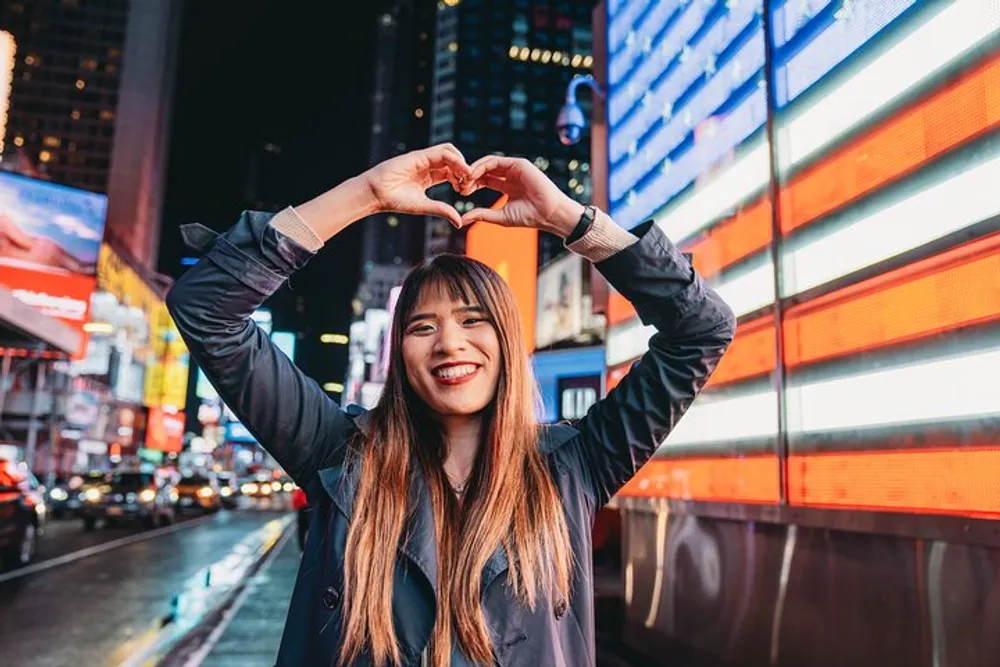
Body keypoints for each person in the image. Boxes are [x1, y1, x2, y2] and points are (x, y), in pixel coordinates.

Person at [166, 144, 735, 667]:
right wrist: (365, 195)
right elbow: (207, 309)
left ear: (506, 340)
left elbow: (701, 330)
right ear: (399, 353)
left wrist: (570, 220)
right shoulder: (338, 454)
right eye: (422, 326)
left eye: (472, 320)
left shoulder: (572, 466)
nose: (450, 344)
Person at [291, 485, 310, 551]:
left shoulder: (300, 490)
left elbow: (295, 501)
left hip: (302, 510)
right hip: (310, 509)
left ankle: (302, 549)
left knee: (301, 531)